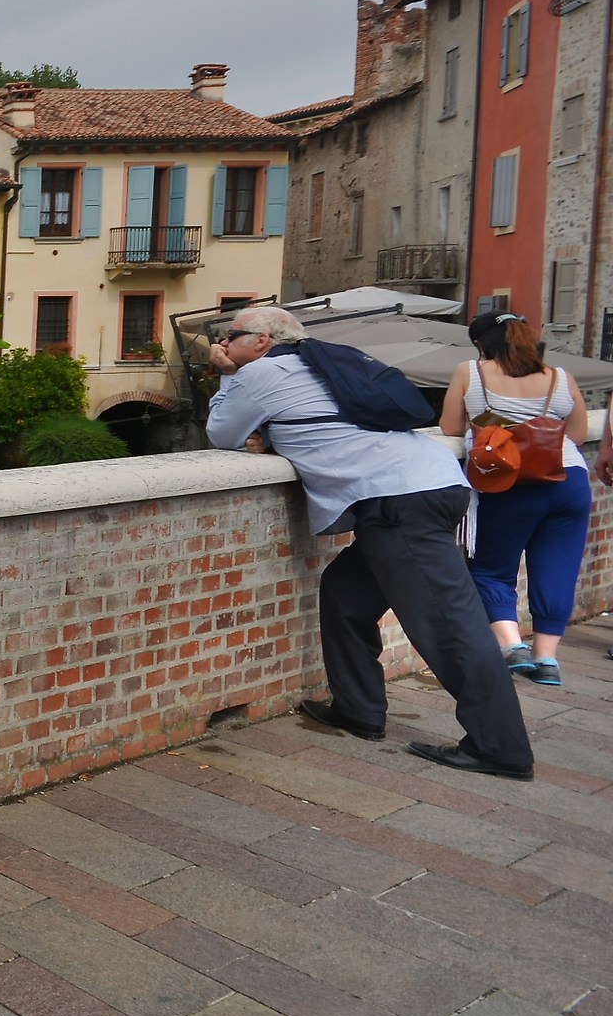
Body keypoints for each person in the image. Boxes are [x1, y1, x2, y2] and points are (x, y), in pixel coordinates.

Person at [207, 305, 533, 780]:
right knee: (344, 593)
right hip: (421, 486)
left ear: (260, 342)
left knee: (448, 626)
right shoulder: (323, 362)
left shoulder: (260, 373)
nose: (222, 344)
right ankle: (358, 708)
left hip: (401, 501)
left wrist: (227, 376)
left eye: (229, 336)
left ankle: (500, 747)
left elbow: (221, 433)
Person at [439, 313, 595, 687]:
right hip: (566, 481)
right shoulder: (560, 376)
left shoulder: (470, 372)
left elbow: (450, 428)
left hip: (504, 482)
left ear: (481, 343)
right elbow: (576, 433)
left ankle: (513, 647)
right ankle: (547, 660)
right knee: (557, 568)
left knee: (491, 568)